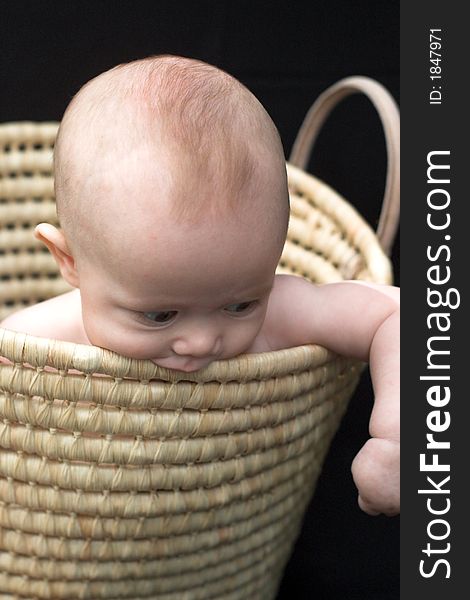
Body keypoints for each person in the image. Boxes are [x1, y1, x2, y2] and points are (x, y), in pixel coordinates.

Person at [0, 54, 399, 516]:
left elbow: (397, 315)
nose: (201, 341)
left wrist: (397, 436)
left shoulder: (284, 311)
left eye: (240, 305)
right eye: (159, 315)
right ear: (69, 262)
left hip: (227, 534)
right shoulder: (34, 344)